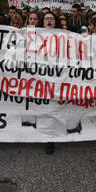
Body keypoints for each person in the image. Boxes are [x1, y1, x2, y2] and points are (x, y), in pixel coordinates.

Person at [38, 11, 62, 155]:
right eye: (46, 19)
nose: (48, 21)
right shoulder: (34, 36)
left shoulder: (64, 36)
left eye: (51, 19)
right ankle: (49, 138)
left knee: (56, 107)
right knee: (46, 108)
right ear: (42, 22)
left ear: (55, 22)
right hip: (41, 78)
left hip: (59, 77)